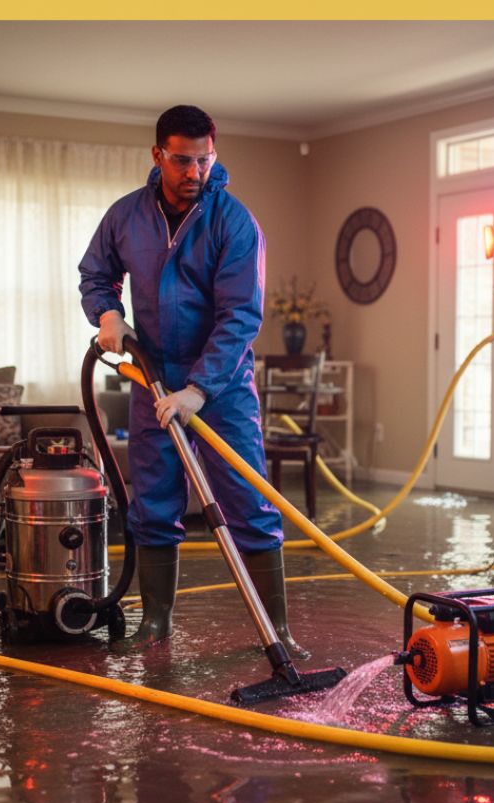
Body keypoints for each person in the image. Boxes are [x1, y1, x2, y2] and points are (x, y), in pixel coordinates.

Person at [79, 104, 307, 657]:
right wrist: (108, 315)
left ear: (214, 154)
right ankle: (155, 626)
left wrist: (198, 391)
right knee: (153, 504)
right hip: (152, 383)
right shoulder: (126, 216)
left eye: (204, 160)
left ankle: (277, 631)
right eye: (181, 161)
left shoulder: (233, 222)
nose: (193, 173)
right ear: (158, 156)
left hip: (220, 388)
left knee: (248, 501)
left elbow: (240, 318)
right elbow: (96, 274)